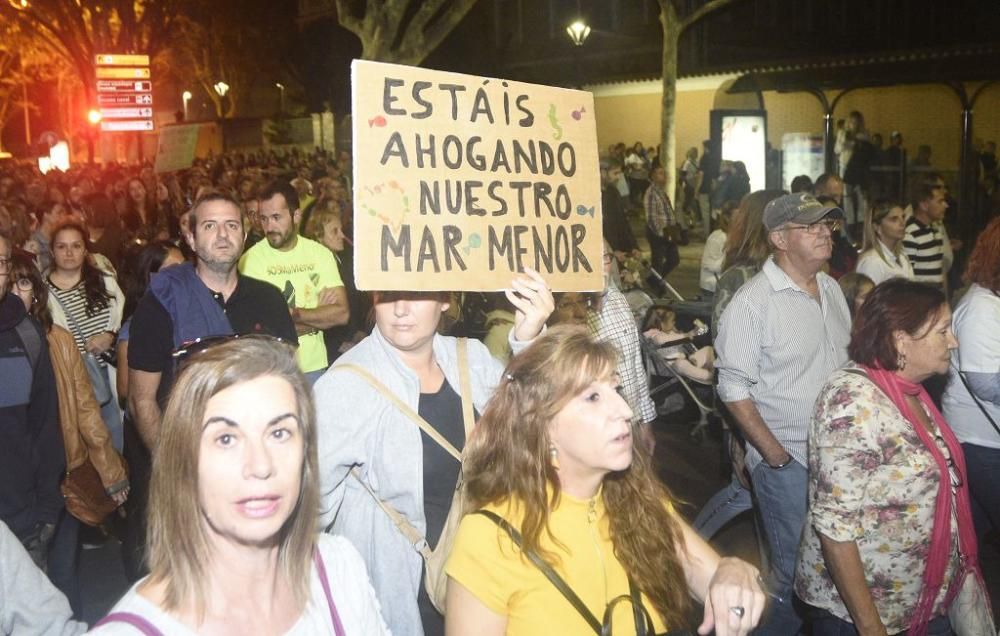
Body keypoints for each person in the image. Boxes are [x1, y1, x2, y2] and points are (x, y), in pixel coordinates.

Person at [445, 326, 765, 635]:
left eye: (615, 389)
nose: (625, 410)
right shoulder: (490, 537)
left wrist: (732, 570)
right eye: (593, 398)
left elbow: (711, 574)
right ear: (542, 426)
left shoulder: (638, 500)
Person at [92, 337, 388, 634]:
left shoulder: (338, 569)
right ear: (184, 462)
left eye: (279, 433)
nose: (261, 466)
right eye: (226, 439)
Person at [314, 269, 553, 636]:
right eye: (388, 295)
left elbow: (531, 427)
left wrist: (528, 337)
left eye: (418, 294)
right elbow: (309, 508)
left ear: (445, 299)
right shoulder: (345, 386)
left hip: (481, 576)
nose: (401, 309)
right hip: (402, 594)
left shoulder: (471, 359)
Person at [125, 192, 296, 582]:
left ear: (245, 233)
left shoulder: (268, 300)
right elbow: (142, 401)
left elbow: (289, 391)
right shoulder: (162, 304)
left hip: (259, 473)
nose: (222, 235)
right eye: (210, 225)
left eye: (232, 225)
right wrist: (180, 470)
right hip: (190, 475)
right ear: (191, 237)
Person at [796, 279, 976, 635]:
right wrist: (869, 625)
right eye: (943, 331)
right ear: (900, 339)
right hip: (863, 615)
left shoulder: (911, 391)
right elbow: (835, 529)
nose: (953, 342)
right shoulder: (851, 403)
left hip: (922, 600)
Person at [715, 192, 852, 635]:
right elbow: (732, 387)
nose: (823, 232)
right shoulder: (754, 303)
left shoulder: (831, 289)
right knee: (794, 575)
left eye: (826, 224)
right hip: (788, 461)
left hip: (838, 459)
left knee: (833, 569)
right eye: (809, 226)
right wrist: (774, 457)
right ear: (778, 238)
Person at [9, 254, 128, 617]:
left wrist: (110, 470)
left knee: (61, 577)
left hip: (60, 476)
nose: (15, 291)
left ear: (37, 292)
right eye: (9, 281)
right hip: (11, 487)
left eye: (24, 283)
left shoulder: (58, 341)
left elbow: (86, 408)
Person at [239, 180, 348, 382]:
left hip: (315, 368)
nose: (269, 226)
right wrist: (319, 320)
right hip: (270, 370)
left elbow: (341, 314)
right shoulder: (250, 261)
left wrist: (292, 314)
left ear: (296, 216)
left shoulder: (320, 254)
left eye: (276, 218)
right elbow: (260, 329)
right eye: (264, 219)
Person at [0, 232, 63, 570]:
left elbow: (45, 426)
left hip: (22, 524)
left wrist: (47, 512)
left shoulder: (27, 335)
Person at [943, 217, 1000, 541]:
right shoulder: (982, 308)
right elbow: (986, 383)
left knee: (971, 530)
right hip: (980, 441)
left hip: (988, 438)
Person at [45, 220, 125, 451]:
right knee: (84, 442)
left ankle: (121, 480)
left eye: (76, 246)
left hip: (109, 371)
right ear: (52, 251)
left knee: (115, 436)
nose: (69, 252)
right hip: (74, 380)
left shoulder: (105, 281)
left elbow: (125, 318)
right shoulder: (43, 293)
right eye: (62, 247)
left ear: (85, 249)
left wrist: (110, 334)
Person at [0, 520, 85, 636]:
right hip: (26, 523)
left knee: (63, 573)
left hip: (34, 525)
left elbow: (47, 623)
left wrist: (46, 519)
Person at [903, 178, 949, 290]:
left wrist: (945, 299)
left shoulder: (935, 230)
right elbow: (907, 278)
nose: (946, 205)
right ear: (924, 205)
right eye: (940, 201)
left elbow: (940, 270)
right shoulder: (910, 234)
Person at [856, 200, 914, 284]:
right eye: (894, 219)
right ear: (877, 227)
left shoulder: (903, 256)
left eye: (903, 217)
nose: (902, 223)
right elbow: (868, 296)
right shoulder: (872, 262)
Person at [643, 166, 681, 277]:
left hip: (668, 231)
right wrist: (660, 233)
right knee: (658, 262)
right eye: (660, 173)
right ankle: (656, 285)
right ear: (653, 176)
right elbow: (651, 217)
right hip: (658, 233)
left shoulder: (661, 192)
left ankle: (656, 280)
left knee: (674, 259)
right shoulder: (651, 193)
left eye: (664, 173)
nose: (664, 176)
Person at [700, 201, 736, 298]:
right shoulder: (717, 237)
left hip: (724, 286)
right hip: (712, 288)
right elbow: (708, 264)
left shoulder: (733, 236)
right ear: (727, 218)